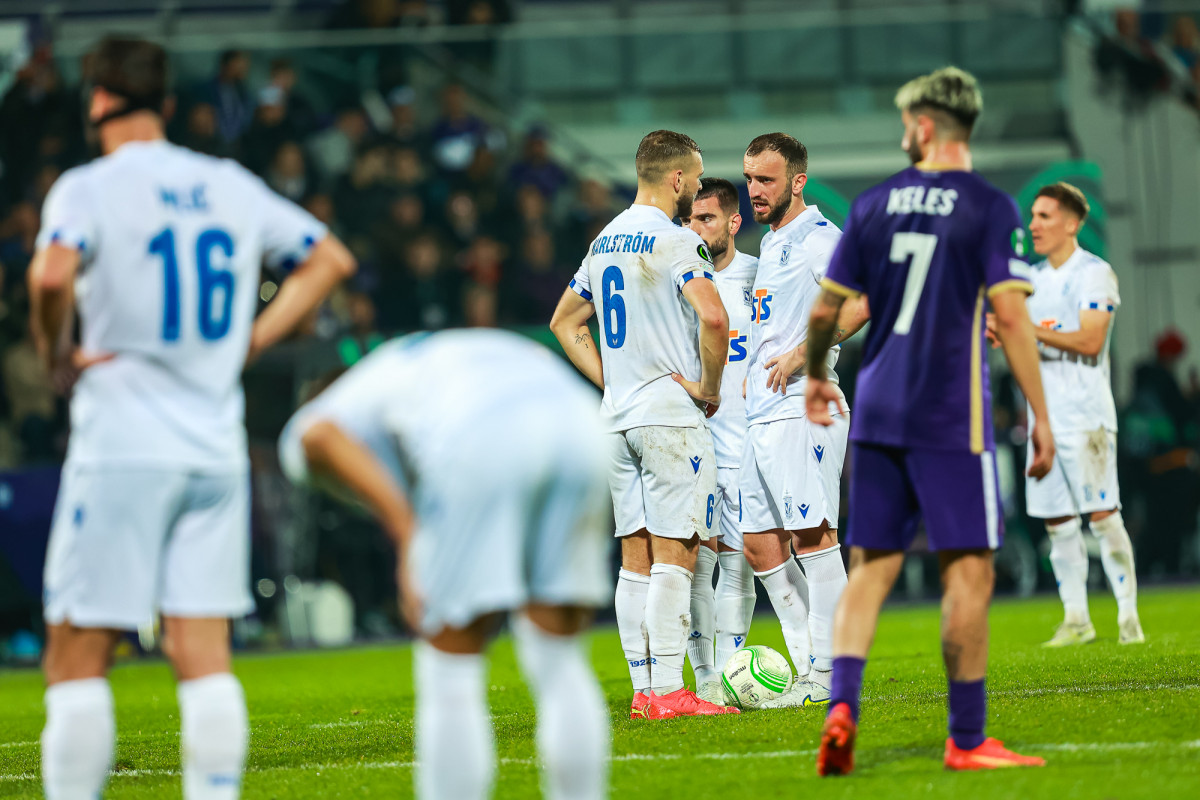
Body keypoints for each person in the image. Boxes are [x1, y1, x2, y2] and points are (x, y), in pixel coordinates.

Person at [30, 37, 355, 800]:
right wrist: (251, 340)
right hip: (213, 449)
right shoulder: (227, 184)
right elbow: (330, 260)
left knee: (77, 652)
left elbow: (49, 274)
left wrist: (55, 350)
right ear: (167, 104)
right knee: (202, 652)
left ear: (97, 99)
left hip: (122, 446)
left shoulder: (87, 186)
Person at [805, 66, 1053, 775]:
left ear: (923, 126)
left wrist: (817, 375)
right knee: (969, 574)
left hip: (877, 411)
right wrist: (1040, 415)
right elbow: (1012, 318)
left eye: (902, 124)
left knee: (869, 570)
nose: (900, 136)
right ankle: (967, 739)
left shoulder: (873, 203)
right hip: (951, 416)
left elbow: (826, 310)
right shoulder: (989, 206)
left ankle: (842, 708)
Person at [279, 330, 611, 800]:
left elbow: (317, 437)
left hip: (479, 436)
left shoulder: (334, 407)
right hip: (581, 424)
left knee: (450, 665)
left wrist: (407, 535)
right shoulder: (407, 362)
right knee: (558, 655)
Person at [549, 130, 737, 719]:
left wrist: (611, 382)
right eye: (697, 179)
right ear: (677, 179)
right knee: (676, 554)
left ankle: (644, 691)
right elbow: (714, 317)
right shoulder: (678, 241)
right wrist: (709, 389)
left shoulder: (604, 239)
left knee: (635, 558)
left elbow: (564, 322)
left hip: (618, 420)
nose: (698, 190)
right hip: (668, 419)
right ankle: (671, 691)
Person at [738, 133, 870, 708]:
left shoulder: (819, 238)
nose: (754, 190)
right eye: (749, 179)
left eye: (766, 180)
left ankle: (831, 672)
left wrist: (803, 354)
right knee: (759, 545)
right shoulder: (772, 242)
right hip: (764, 412)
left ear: (797, 182)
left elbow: (863, 301)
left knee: (814, 537)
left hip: (803, 406)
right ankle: (807, 665)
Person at [996, 182, 1143, 646]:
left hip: (1086, 418)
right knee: (1056, 521)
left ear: (1073, 223)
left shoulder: (1094, 273)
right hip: (1041, 421)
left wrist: (1024, 329)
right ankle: (1077, 619)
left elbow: (1091, 340)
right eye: (1033, 216)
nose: (1034, 225)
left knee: (1102, 515)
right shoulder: (1030, 278)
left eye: (1045, 216)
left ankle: (1128, 618)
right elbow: (1017, 341)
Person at [681, 177, 758, 701]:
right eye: (688, 219)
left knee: (740, 562)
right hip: (692, 440)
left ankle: (730, 674)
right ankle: (706, 676)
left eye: (706, 218)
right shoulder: (677, 278)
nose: (695, 229)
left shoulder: (759, 276)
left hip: (746, 440)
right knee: (695, 563)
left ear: (733, 222)